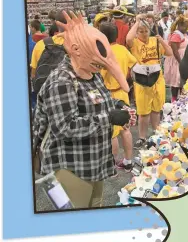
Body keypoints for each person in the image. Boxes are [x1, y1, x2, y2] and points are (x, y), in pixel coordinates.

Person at [33, 11, 135, 208]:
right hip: (71, 168)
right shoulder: (61, 81)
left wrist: (117, 105)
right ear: (76, 49)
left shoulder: (91, 73)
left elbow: (98, 100)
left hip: (93, 163)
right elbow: (64, 127)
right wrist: (108, 118)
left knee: (93, 207)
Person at [126, 15, 173, 148]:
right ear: (137, 32)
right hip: (142, 81)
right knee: (143, 112)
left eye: (146, 31)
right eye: (141, 31)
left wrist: (162, 41)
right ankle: (142, 137)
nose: (144, 34)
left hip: (157, 79)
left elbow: (169, 53)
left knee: (157, 109)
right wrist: (137, 22)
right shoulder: (134, 43)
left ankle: (156, 134)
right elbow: (128, 38)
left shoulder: (155, 40)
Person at [99, 23, 137, 172]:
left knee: (112, 133)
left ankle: (112, 166)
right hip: (123, 93)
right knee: (125, 129)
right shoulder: (122, 49)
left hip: (108, 95)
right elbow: (134, 64)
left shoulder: (102, 52)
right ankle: (128, 161)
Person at [163, 15, 188, 102]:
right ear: (179, 26)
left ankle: (180, 98)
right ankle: (174, 100)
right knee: (176, 81)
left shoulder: (182, 34)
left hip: (182, 58)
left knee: (180, 81)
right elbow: (175, 51)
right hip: (177, 60)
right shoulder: (176, 35)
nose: (186, 29)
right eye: (185, 27)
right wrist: (181, 62)